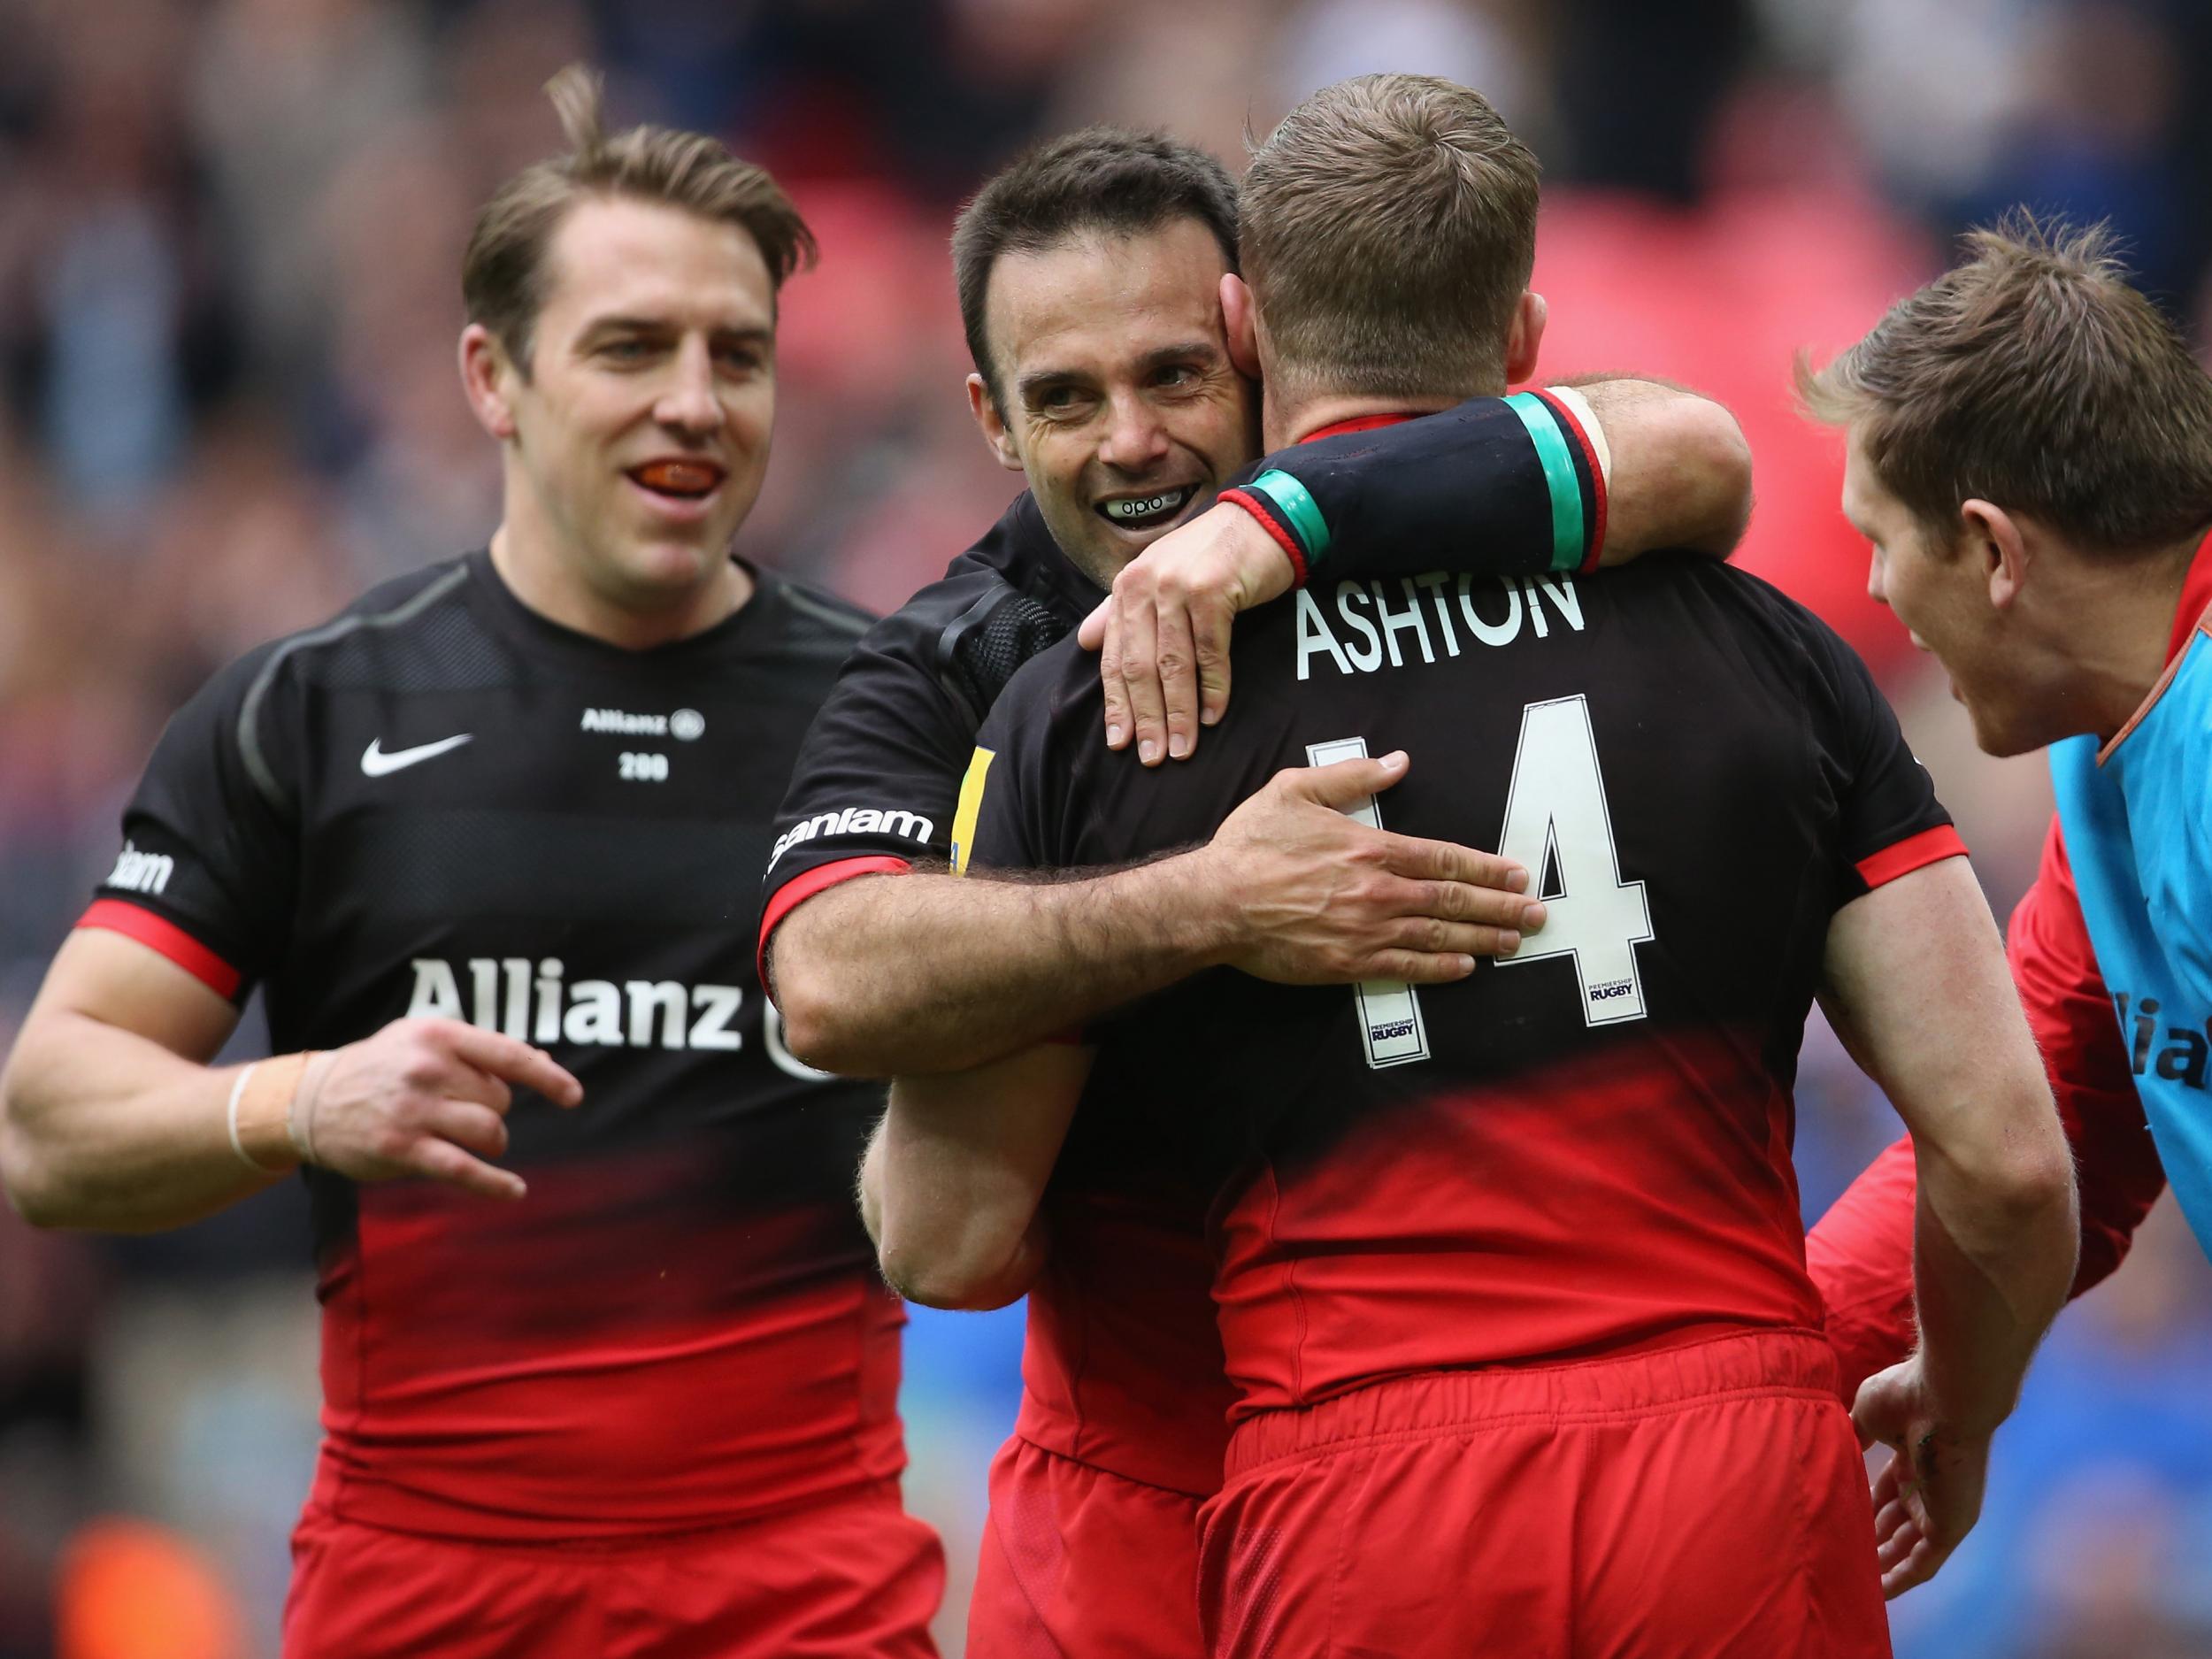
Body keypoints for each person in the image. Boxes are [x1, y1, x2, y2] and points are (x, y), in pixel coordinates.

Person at [872, 76, 2079, 1658]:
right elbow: (2005, 1158)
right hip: (1729, 1468)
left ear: (1246, 327)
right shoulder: (1763, 645)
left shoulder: (1115, 702)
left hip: (1360, 1499)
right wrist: (1959, 1407)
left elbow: (952, 1244)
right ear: (1525, 333)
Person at [766, 126, 1755, 1656]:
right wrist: (1209, 906)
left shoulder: (1420, 519)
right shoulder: (967, 656)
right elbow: (829, 979)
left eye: (1173, 376)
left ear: (1254, 335)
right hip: (1143, 1502)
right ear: (986, 416)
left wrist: (1281, 525)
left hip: (1440, 1464)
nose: (1133, 443)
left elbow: (1699, 450)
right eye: (1066, 400)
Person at [0, 70, 942, 1658]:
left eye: (740, 355)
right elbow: (47, 1121)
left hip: (802, 1596)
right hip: (428, 1598)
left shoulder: (901, 716)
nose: (696, 403)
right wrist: (299, 1101)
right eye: (631, 349)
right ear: (491, 378)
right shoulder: (313, 711)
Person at [1800, 217, 2212, 1594]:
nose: (1872, 587)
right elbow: (2041, 1123)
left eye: (1881, 539)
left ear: (1990, 549)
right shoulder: (2115, 737)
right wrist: (1773, 1374)